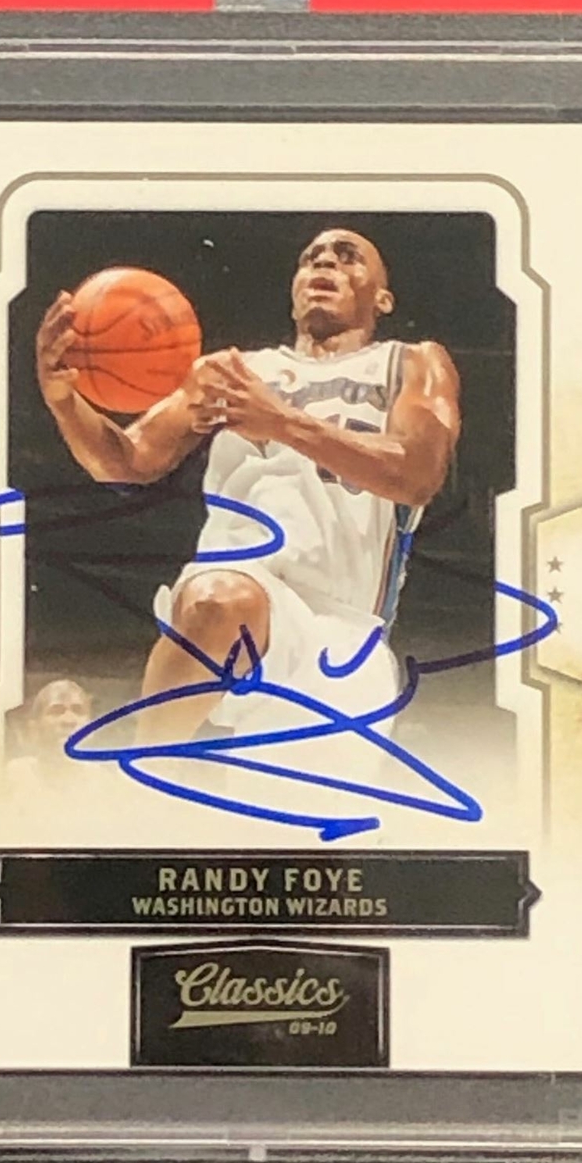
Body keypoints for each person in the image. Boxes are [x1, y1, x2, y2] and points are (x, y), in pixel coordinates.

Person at [35, 227, 460, 777]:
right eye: (310, 258)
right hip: (242, 588)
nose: (324, 262)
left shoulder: (412, 362)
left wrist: (280, 421)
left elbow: (417, 474)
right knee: (218, 598)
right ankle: (142, 778)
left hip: (345, 635)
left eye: (346, 256)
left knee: (306, 822)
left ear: (382, 298)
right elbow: (127, 461)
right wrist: (65, 401)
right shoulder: (233, 372)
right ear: (294, 290)